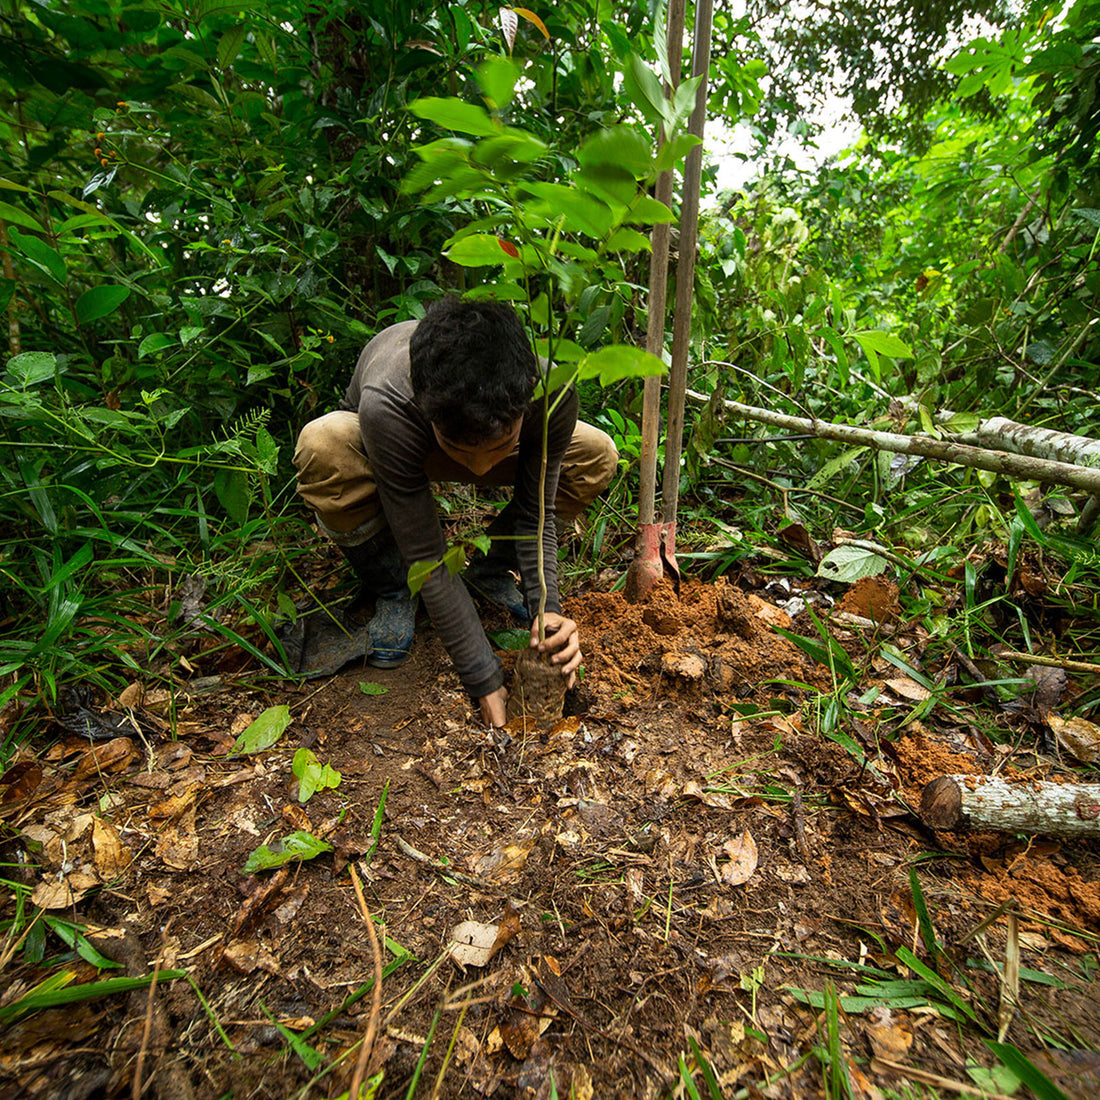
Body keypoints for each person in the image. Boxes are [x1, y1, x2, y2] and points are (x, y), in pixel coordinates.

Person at [292, 297, 618, 727]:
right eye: (467, 455)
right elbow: (426, 550)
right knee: (324, 443)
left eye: (493, 453)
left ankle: (490, 570)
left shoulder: (552, 392)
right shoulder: (388, 403)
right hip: (398, 447)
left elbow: (534, 513)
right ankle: (392, 585)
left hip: (483, 434)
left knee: (596, 452)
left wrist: (548, 611)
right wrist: (482, 675)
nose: (480, 470)